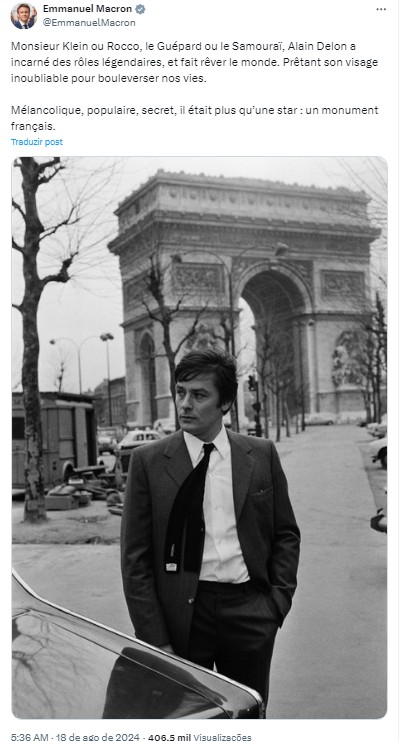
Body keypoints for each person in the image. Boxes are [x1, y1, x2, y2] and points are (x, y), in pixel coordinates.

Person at [121, 348, 300, 709]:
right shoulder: (148, 462)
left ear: (226, 403)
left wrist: (275, 605)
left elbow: (286, 533)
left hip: (250, 613)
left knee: (246, 718)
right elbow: (135, 559)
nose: (185, 404)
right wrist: (157, 639)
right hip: (183, 619)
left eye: (199, 395)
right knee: (188, 720)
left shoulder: (261, 454)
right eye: (181, 392)